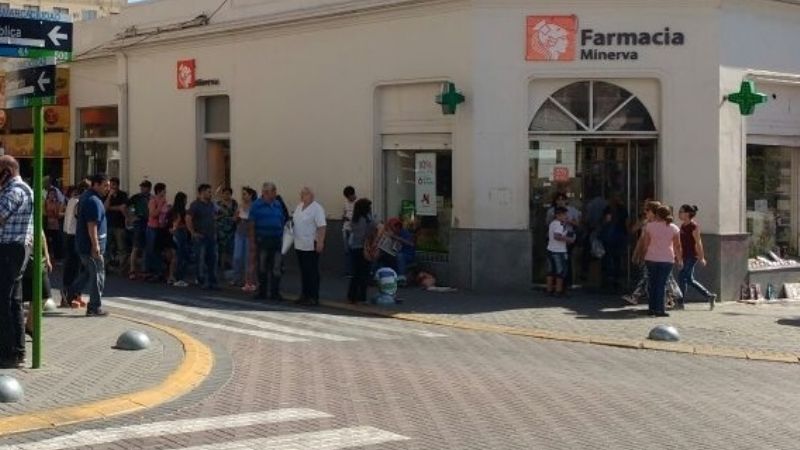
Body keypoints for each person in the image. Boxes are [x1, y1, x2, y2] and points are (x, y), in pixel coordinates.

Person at [0, 155, 34, 368]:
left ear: (7, 171)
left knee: (4, 301)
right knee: (13, 301)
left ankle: (8, 352)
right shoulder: (22, 189)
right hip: (17, 248)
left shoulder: (14, 191)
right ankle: (17, 351)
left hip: (10, 249)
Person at [71, 173, 111, 317]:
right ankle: (94, 307)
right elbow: (92, 225)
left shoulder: (88, 197)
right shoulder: (92, 200)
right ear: (96, 184)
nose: (108, 189)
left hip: (85, 245)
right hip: (90, 247)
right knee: (98, 276)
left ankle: (69, 292)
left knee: (89, 273)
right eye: (105, 185)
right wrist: (95, 245)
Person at [636, 204, 682, 317]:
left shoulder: (649, 226)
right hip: (667, 259)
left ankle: (651, 308)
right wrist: (680, 259)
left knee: (652, 284)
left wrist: (642, 256)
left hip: (651, 258)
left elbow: (646, 244)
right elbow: (677, 246)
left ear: (657, 215)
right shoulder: (674, 228)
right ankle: (660, 309)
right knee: (661, 284)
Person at [249, 182, 288, 301]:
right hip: (262, 239)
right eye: (273, 191)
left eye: (275, 191)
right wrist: (252, 241)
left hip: (276, 239)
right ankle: (262, 292)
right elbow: (251, 224)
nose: (275, 194)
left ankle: (275, 292)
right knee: (262, 266)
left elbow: (282, 219)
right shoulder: (256, 205)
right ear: (265, 192)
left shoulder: (277, 204)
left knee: (277, 267)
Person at [678, 205, 718, 310]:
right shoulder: (682, 226)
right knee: (689, 280)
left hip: (691, 256)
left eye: (681, 211)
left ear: (687, 214)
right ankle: (709, 296)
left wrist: (702, 257)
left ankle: (680, 302)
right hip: (685, 255)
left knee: (682, 277)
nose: (679, 213)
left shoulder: (693, 226)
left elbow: (698, 242)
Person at [292, 187, 327, 305]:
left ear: (311, 196)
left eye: (305, 194)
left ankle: (313, 296)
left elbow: (322, 226)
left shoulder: (317, 208)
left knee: (312, 271)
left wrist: (320, 242)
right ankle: (304, 294)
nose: (302, 196)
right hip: (299, 244)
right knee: (303, 271)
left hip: (311, 244)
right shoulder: (299, 206)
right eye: (301, 194)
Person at [62, 181, 89, 307]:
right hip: (75, 235)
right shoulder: (79, 201)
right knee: (74, 267)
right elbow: (80, 218)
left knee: (74, 267)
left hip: (68, 234)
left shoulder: (72, 200)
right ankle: (69, 297)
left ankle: (76, 296)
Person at [187, 184, 218, 290]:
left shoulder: (211, 204)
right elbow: (188, 218)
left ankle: (212, 281)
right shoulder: (195, 205)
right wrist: (192, 232)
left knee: (212, 259)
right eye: (208, 192)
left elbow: (214, 217)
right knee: (200, 259)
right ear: (202, 192)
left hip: (211, 236)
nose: (210, 194)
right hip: (200, 236)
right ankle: (201, 280)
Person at [347, 198, 377, 304]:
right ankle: (361, 297)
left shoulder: (355, 219)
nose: (370, 208)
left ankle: (352, 295)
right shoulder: (365, 219)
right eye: (369, 207)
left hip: (355, 247)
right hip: (364, 248)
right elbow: (368, 232)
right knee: (364, 273)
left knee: (356, 273)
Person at [232, 187, 257, 291]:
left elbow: (255, 220)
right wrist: (237, 217)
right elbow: (234, 218)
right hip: (239, 233)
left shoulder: (254, 206)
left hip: (249, 235)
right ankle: (237, 278)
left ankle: (249, 280)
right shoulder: (240, 206)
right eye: (242, 194)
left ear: (250, 195)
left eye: (245, 194)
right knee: (237, 256)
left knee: (248, 258)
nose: (243, 196)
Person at [546, 206, 573, 297]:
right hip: (559, 251)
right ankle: (558, 290)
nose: (566, 216)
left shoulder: (552, 223)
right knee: (560, 271)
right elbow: (557, 236)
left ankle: (549, 290)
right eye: (564, 215)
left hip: (550, 249)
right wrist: (568, 239)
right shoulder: (559, 225)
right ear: (558, 215)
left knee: (550, 271)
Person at [128, 180, 152, 279]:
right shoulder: (136, 197)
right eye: (141, 186)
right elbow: (129, 206)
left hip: (149, 222)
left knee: (146, 247)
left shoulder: (151, 198)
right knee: (136, 247)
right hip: (139, 222)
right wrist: (132, 216)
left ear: (149, 188)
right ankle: (132, 270)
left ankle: (144, 269)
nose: (142, 188)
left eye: (144, 187)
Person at [104, 177, 129, 273]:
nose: (112, 187)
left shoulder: (123, 195)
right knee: (107, 246)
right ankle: (106, 266)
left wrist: (112, 208)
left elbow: (124, 207)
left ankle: (122, 268)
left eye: (113, 185)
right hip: (108, 224)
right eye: (110, 185)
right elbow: (105, 208)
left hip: (120, 224)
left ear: (118, 185)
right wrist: (109, 197)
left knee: (121, 247)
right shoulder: (106, 195)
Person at [145, 183, 168, 281]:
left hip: (161, 228)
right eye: (164, 190)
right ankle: (152, 271)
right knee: (152, 250)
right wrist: (160, 205)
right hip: (152, 227)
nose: (165, 192)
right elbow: (152, 214)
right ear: (159, 191)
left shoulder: (164, 201)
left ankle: (159, 271)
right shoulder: (153, 201)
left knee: (159, 251)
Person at [170, 192, 190, 288]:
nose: (186, 201)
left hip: (178, 233)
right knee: (181, 255)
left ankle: (175, 276)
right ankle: (179, 277)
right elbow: (177, 223)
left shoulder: (173, 210)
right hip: (180, 232)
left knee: (178, 255)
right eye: (185, 199)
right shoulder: (181, 211)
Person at [215, 187, 238, 273]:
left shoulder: (234, 203)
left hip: (231, 228)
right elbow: (214, 216)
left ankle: (230, 265)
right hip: (221, 229)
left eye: (228, 194)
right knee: (222, 248)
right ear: (222, 194)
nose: (226, 195)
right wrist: (221, 216)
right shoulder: (218, 204)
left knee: (231, 247)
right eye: (225, 193)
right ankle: (222, 266)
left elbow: (236, 214)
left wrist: (234, 218)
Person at [341, 186, 357, 277]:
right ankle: (348, 271)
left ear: (353, 194)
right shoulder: (345, 203)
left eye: (349, 197)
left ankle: (354, 270)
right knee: (347, 251)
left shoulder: (358, 203)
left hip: (354, 230)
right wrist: (344, 218)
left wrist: (351, 219)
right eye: (347, 197)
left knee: (353, 249)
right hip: (345, 228)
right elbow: (343, 215)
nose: (348, 199)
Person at [44, 188, 63, 262]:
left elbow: (57, 213)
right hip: (48, 224)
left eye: (54, 194)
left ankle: (57, 257)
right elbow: (46, 212)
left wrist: (54, 206)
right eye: (51, 194)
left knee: (56, 242)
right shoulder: (46, 202)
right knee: (47, 242)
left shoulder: (57, 202)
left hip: (55, 225)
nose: (52, 195)